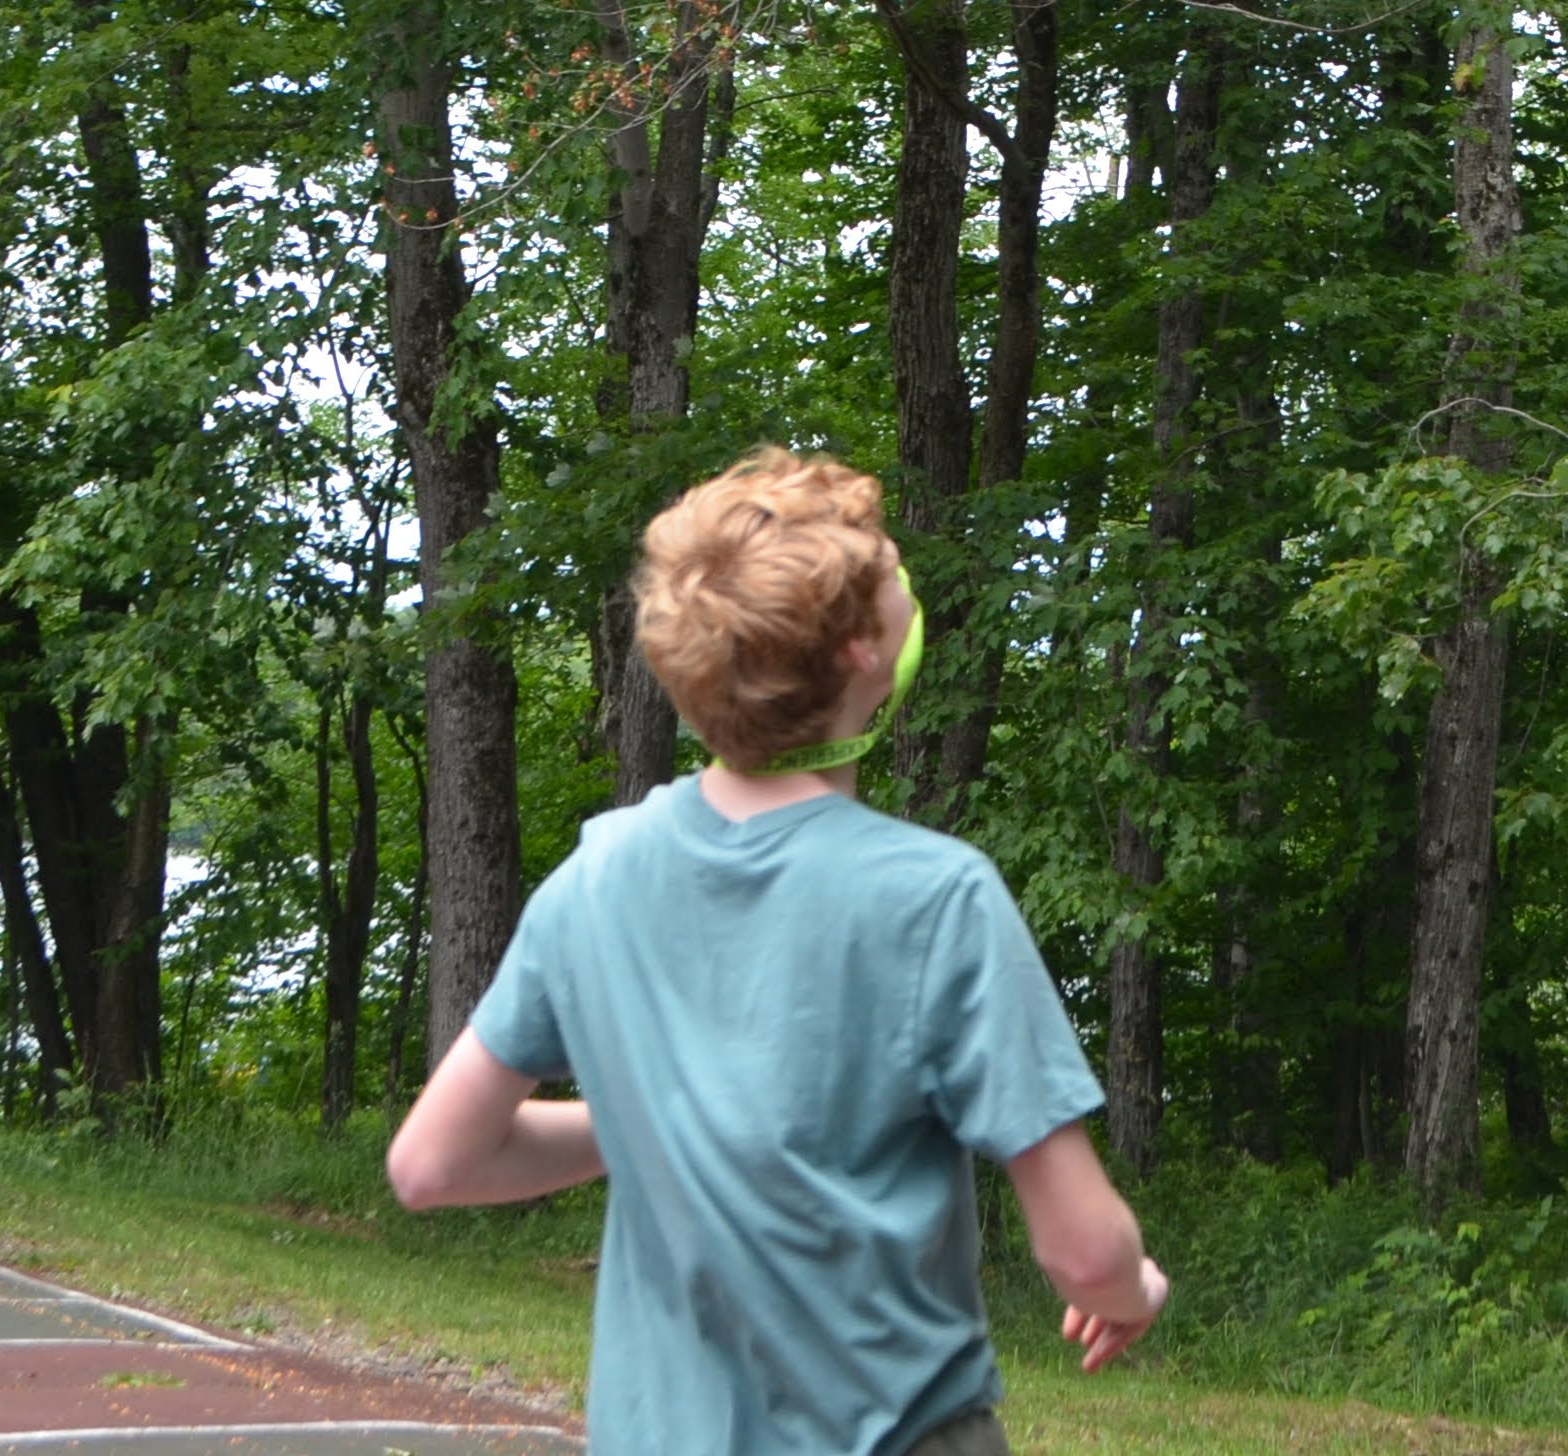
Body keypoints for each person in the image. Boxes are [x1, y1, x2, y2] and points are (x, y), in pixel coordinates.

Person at [388, 449, 1166, 1455]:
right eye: (891, 574)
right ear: (856, 652)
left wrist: (669, 1117)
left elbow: (432, 1164)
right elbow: (1079, 1248)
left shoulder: (596, 874)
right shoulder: (935, 896)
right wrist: (1131, 1284)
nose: (907, 587)